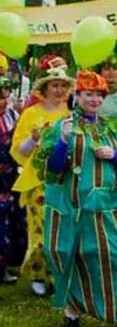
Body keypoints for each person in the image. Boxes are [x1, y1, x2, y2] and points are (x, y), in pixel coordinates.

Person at [41, 70, 117, 327]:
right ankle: (72, 310)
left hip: (107, 207)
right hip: (73, 207)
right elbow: (53, 170)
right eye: (89, 94)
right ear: (77, 96)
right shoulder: (64, 127)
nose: (95, 100)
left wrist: (116, 156)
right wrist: (63, 143)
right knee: (73, 255)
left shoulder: (110, 129)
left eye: (99, 95)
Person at [11, 62, 73, 296]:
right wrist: (33, 139)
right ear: (45, 89)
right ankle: (37, 272)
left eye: (62, 86)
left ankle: (57, 275)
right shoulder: (31, 114)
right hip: (38, 181)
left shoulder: (69, 114)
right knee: (40, 232)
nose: (58, 90)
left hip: (63, 180)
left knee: (62, 231)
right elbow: (19, 150)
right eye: (54, 85)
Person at [0, 78, 27, 284]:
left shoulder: (12, 116)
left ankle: (8, 264)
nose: (2, 100)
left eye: (4, 95)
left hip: (10, 176)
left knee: (11, 218)